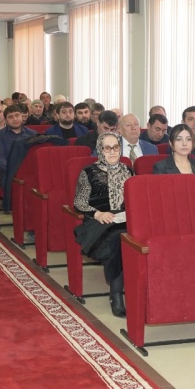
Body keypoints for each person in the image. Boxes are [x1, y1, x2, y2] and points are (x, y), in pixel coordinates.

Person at [73, 132, 133, 318]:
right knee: (118, 240)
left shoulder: (128, 170)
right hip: (99, 222)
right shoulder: (89, 172)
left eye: (116, 147)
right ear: (100, 149)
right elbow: (79, 202)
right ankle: (116, 295)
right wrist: (98, 214)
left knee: (136, 237)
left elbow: (136, 198)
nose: (112, 151)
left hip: (125, 219)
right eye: (107, 148)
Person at [0, 104, 36, 212]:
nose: (15, 119)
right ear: (6, 120)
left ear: (22, 116)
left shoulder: (33, 135)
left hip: (31, 172)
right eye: (11, 117)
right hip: (10, 174)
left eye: (17, 115)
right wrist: (17, 170)